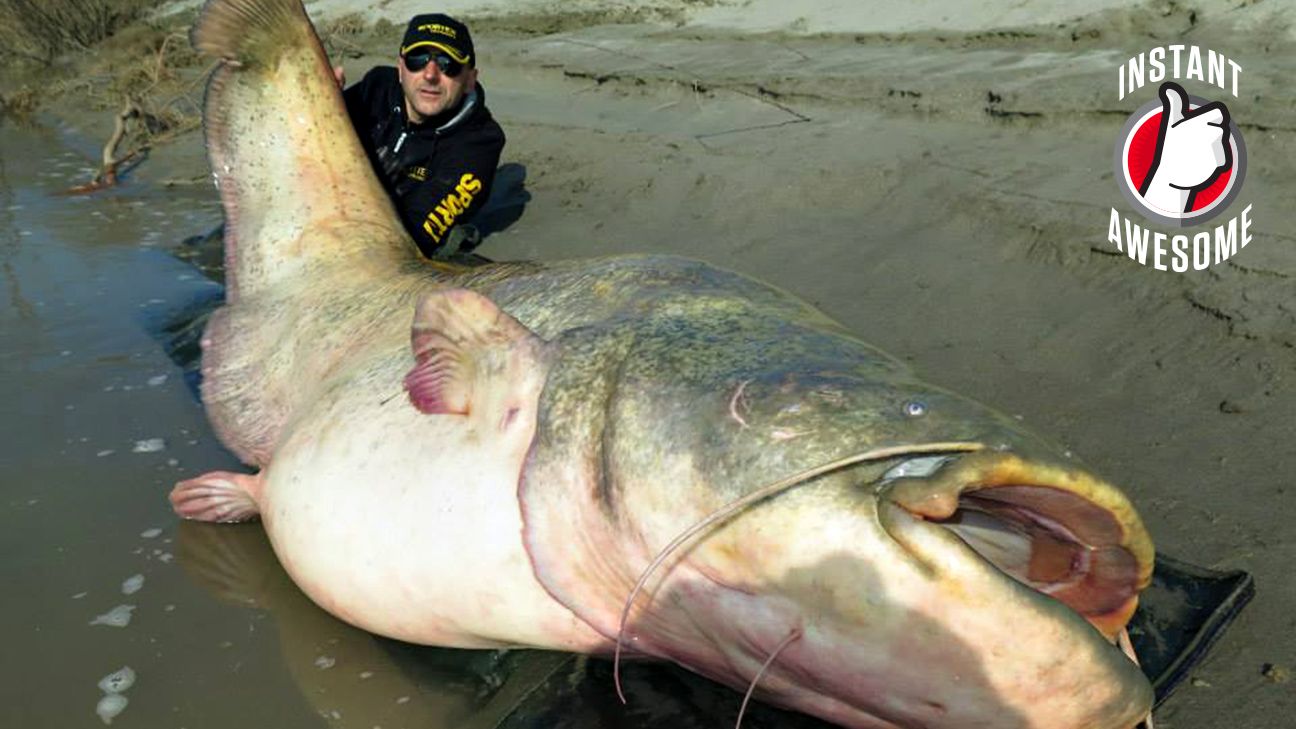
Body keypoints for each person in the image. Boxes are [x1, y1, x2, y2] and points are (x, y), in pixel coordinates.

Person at [337, 14, 505, 258]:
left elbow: (414, 237)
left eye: (448, 63)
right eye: (418, 59)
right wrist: (319, 104)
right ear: (400, 68)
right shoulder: (376, 87)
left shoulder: (479, 142)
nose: (430, 74)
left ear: (470, 79)